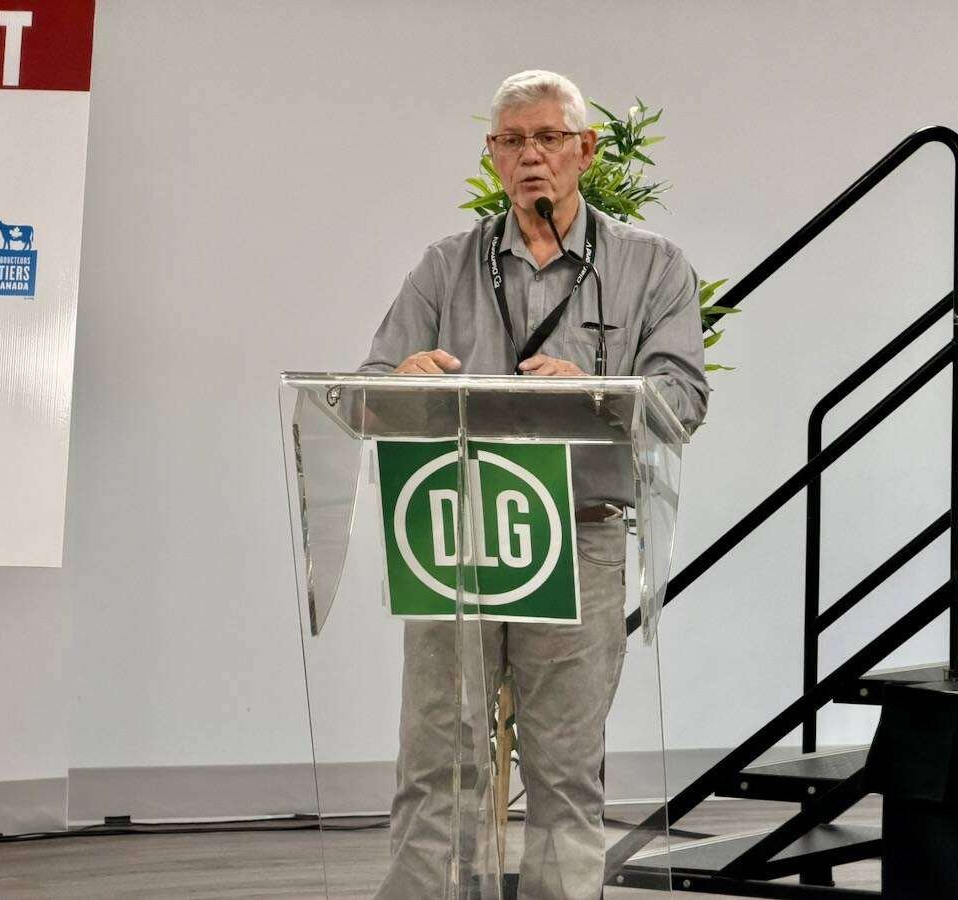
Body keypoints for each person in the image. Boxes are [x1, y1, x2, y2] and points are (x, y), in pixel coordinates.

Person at [360, 69, 708, 900]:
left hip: (578, 534)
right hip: (458, 534)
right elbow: (369, 384)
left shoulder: (651, 266)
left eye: (549, 138)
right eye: (512, 141)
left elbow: (683, 400)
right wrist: (401, 377)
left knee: (563, 773)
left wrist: (592, 390)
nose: (531, 157)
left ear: (585, 150)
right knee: (435, 763)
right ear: (492, 155)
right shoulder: (446, 266)